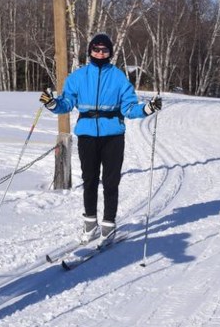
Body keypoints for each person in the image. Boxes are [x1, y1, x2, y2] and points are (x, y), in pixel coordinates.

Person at [40, 32, 161, 242]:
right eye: (96, 49)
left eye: (104, 50)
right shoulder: (78, 77)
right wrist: (52, 104)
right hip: (87, 134)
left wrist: (147, 109)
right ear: (90, 51)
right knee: (89, 180)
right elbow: (67, 103)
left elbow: (129, 107)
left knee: (111, 181)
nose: (100, 53)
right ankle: (90, 224)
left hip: (113, 134)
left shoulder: (118, 77)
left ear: (110, 52)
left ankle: (108, 224)